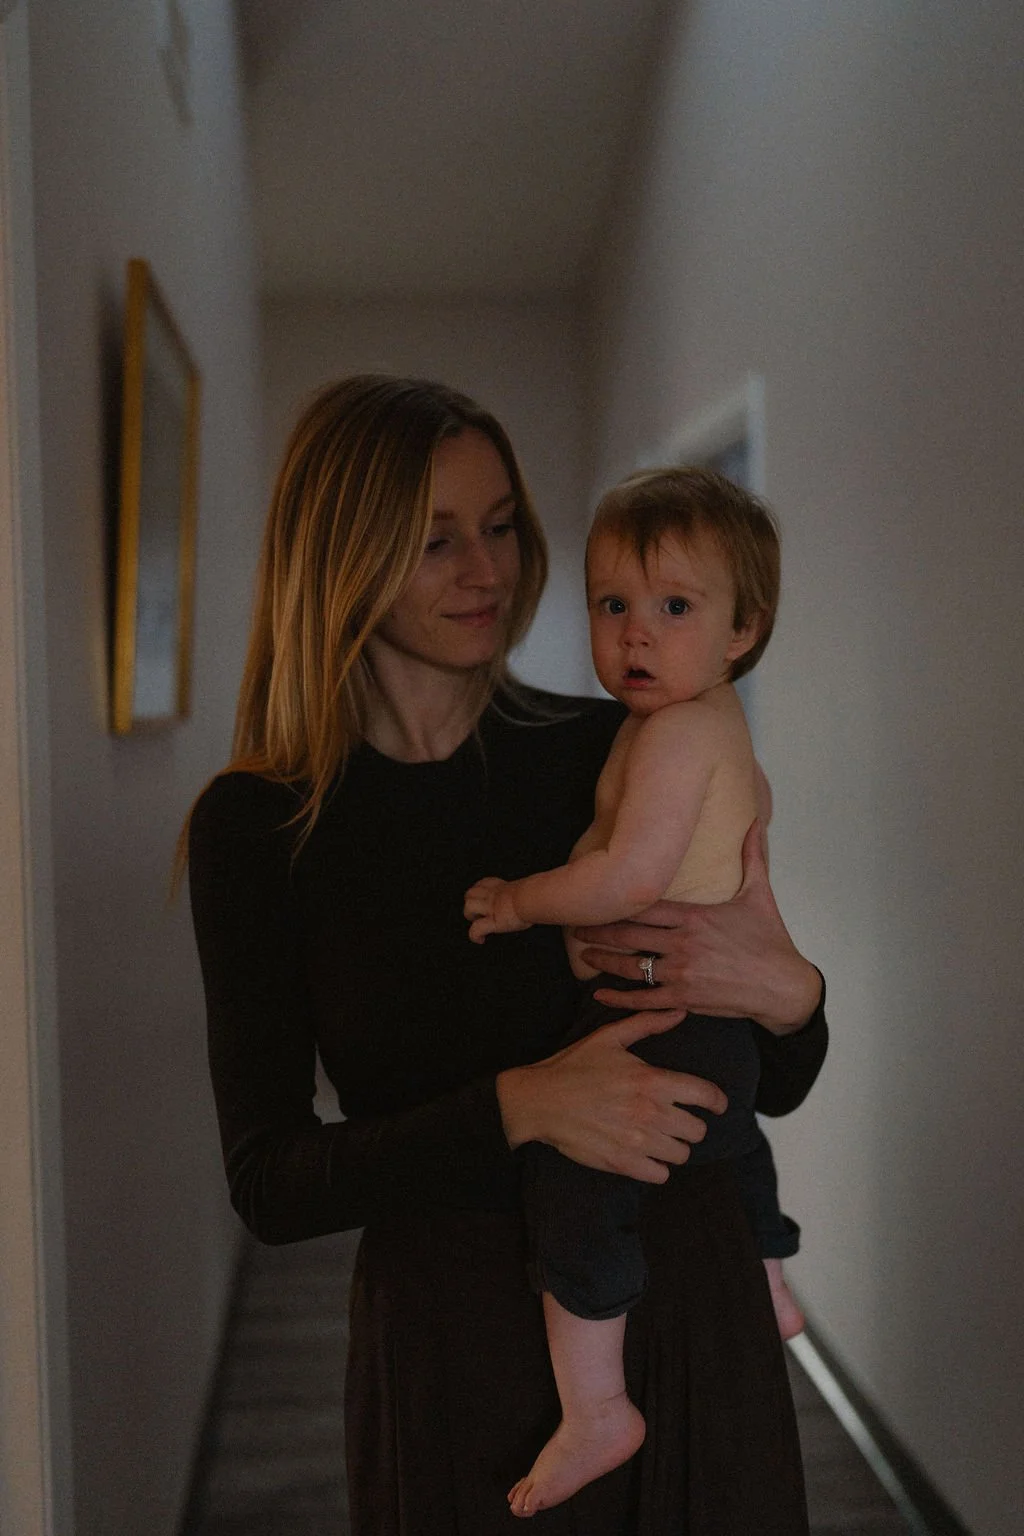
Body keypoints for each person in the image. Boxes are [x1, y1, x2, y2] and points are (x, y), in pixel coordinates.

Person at [187, 375, 828, 1536]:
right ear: (341, 554)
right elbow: (269, 1182)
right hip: (457, 1345)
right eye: (435, 541)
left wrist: (795, 994)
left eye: (498, 527)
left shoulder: (612, 746)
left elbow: (766, 1071)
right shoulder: (261, 823)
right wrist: (519, 1107)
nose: (486, 571)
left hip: (684, 1305)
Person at [465, 467, 804, 1518]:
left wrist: (524, 903)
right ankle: (768, 1275)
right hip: (713, 1027)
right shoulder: (709, 730)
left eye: (672, 608)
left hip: (668, 1018)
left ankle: (599, 1404)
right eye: (613, 606)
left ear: (743, 630)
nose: (635, 636)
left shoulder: (673, 735)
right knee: (733, 1135)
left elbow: (628, 879)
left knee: (576, 1182)